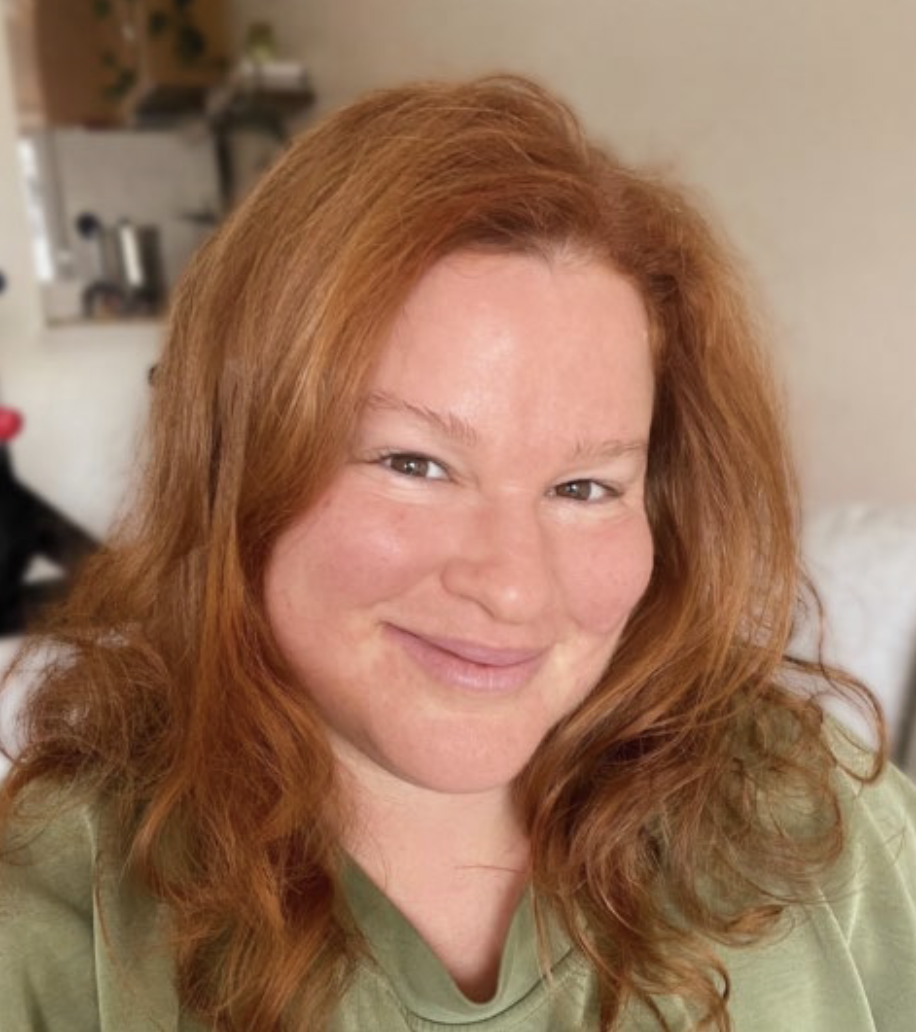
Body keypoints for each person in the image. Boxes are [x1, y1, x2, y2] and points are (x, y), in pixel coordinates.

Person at [1, 76, 914, 1032]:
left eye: (585, 488)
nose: (513, 588)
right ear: (234, 460)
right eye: (414, 464)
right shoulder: (52, 924)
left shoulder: (817, 825)